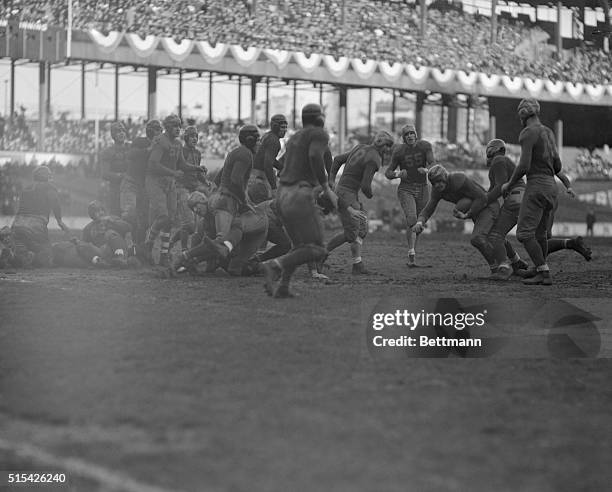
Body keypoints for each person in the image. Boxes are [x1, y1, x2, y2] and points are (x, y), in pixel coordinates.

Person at [261, 103, 338, 298]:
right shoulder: (318, 135)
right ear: (320, 118)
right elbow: (314, 155)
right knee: (318, 249)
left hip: (282, 193)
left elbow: (281, 164)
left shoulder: (294, 138)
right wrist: (326, 186)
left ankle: (284, 286)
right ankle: (274, 265)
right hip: (299, 193)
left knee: (298, 247)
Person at [501, 98, 563, 285]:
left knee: (524, 234)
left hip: (536, 186)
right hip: (552, 187)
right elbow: (558, 164)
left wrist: (509, 184)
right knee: (540, 234)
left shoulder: (527, 133)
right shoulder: (549, 132)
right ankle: (537, 268)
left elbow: (524, 165)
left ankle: (543, 272)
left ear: (522, 114)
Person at [326, 130, 395, 274]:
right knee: (351, 233)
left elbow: (338, 159)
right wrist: (370, 195)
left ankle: (357, 264)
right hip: (347, 194)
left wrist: (332, 179)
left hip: (345, 191)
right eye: (388, 146)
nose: (388, 150)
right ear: (383, 146)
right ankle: (320, 253)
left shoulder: (360, 147)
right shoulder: (374, 158)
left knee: (362, 229)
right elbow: (365, 186)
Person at [413, 164, 499, 273]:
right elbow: (429, 209)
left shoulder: (458, 179)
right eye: (434, 182)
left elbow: (482, 197)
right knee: (495, 237)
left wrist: (468, 214)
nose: (437, 184)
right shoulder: (436, 190)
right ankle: (515, 262)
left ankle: (499, 267)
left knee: (480, 238)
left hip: (487, 206)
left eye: (439, 180)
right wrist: (420, 222)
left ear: (445, 177)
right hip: (477, 210)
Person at [144, 114, 202, 267]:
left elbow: (181, 164)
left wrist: (197, 168)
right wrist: (173, 173)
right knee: (163, 217)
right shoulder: (160, 141)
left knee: (170, 220)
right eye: (175, 126)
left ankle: (163, 255)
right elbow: (153, 164)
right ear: (168, 127)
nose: (178, 129)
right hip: (155, 182)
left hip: (169, 183)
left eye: (179, 126)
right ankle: (148, 245)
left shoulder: (177, 144)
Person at [385, 124, 434, 267]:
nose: (410, 136)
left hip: (423, 187)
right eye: (406, 134)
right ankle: (411, 251)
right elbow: (388, 172)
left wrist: (426, 170)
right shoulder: (399, 151)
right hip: (406, 188)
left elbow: (433, 163)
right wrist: (397, 174)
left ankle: (412, 253)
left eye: (412, 133)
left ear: (416, 135)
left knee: (419, 222)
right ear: (403, 138)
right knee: (412, 219)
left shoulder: (425, 146)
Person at [483, 138, 529, 280]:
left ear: (493, 150)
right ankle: (517, 263)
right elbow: (495, 188)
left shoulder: (498, 161)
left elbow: (499, 187)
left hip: (515, 197)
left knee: (494, 235)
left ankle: (504, 268)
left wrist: (483, 201)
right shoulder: (503, 161)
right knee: (499, 234)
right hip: (522, 197)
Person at [11, 165, 70, 267]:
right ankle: (36, 258)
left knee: (21, 247)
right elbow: (55, 201)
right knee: (46, 255)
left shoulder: (26, 188)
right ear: (45, 177)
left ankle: (22, 256)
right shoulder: (49, 187)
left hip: (17, 224)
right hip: (36, 225)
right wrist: (59, 221)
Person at [121, 119, 163, 257]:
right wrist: (148, 149)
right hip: (131, 182)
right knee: (130, 213)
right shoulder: (140, 141)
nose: (159, 133)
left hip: (146, 185)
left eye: (160, 130)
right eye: (157, 130)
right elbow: (131, 154)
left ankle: (139, 248)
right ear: (151, 131)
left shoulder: (161, 146)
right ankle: (129, 245)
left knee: (144, 221)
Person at [76, 200, 133, 268]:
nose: (101, 213)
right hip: (102, 252)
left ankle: (121, 258)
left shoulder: (112, 219)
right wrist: (78, 242)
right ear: (92, 214)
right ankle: (99, 262)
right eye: (97, 211)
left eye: (102, 210)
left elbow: (128, 227)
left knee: (110, 233)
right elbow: (84, 244)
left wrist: (112, 222)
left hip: (119, 250)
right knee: (81, 245)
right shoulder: (88, 228)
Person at [248, 114, 288, 204]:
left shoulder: (268, 135)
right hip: (260, 178)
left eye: (286, 127)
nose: (285, 130)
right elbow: (267, 165)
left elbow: (268, 159)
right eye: (282, 127)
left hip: (253, 176)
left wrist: (282, 167)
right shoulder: (274, 141)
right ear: (275, 127)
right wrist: (274, 188)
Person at [100, 122, 130, 216]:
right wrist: (122, 176)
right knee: (116, 217)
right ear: (113, 135)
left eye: (123, 131)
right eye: (118, 131)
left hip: (131, 189)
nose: (121, 133)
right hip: (116, 189)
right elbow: (105, 174)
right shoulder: (108, 152)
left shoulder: (132, 148)